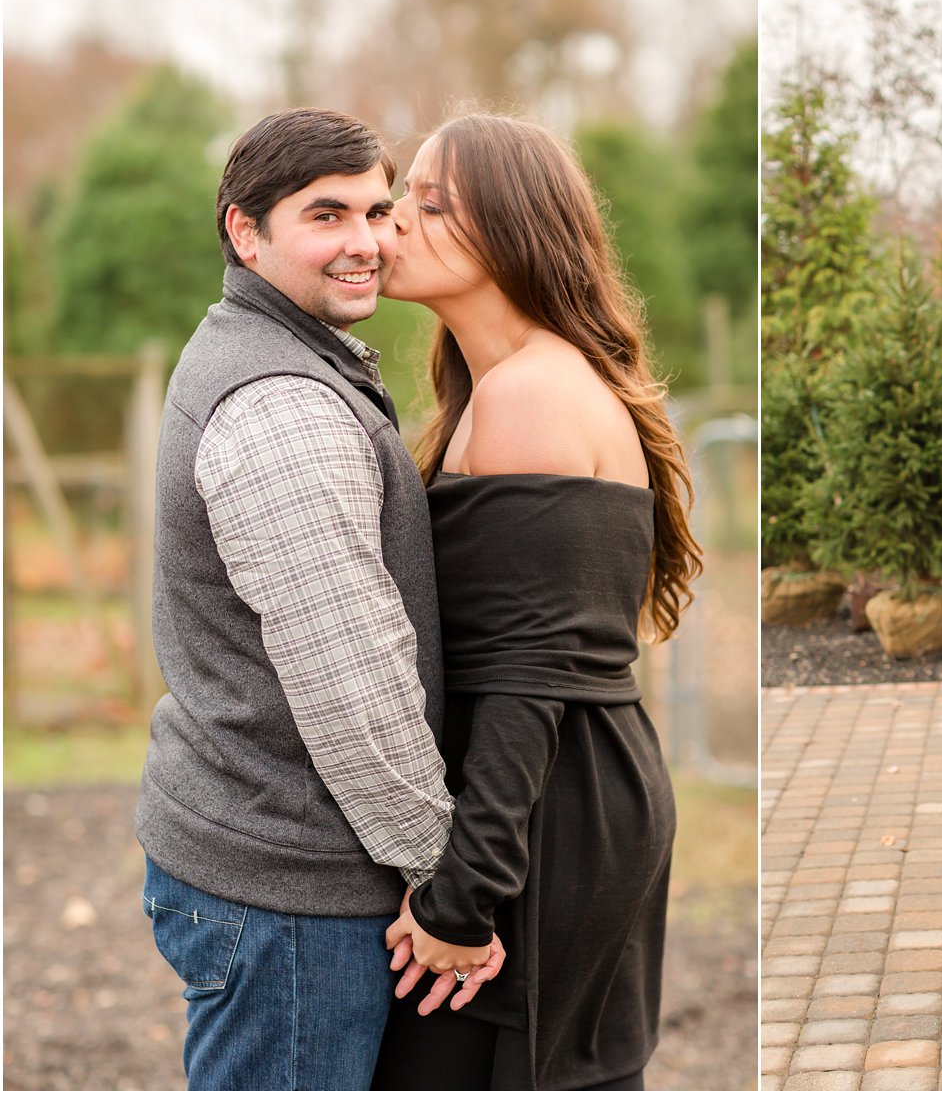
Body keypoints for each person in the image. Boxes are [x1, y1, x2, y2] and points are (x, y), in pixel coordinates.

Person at [136, 107, 502, 1091]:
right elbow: (351, 675)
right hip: (285, 897)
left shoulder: (274, 350)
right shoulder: (280, 404)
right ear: (245, 232)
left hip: (266, 866)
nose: (366, 243)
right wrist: (446, 880)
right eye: (326, 215)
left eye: (378, 211)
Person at [366, 112, 701, 1091]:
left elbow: (523, 685)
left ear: (513, 228)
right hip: (569, 790)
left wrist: (460, 899)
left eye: (432, 204)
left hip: (544, 810)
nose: (396, 224)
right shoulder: (496, 385)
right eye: (401, 200)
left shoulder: (531, 398)